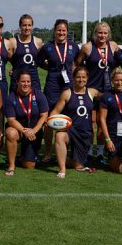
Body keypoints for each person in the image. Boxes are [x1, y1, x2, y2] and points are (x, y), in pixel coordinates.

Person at [36, 19, 80, 162]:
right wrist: (52, 70)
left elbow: (78, 64)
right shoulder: (47, 47)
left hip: (68, 86)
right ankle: (48, 152)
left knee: (69, 118)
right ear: (54, 31)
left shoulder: (73, 46)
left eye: (64, 30)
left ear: (67, 32)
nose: (61, 33)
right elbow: (39, 62)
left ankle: (65, 151)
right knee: (49, 119)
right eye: (59, 30)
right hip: (52, 86)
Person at [75, 21, 119, 161]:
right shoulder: (87, 47)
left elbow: (121, 62)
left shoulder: (113, 46)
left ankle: (99, 152)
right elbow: (77, 64)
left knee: (102, 122)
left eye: (105, 33)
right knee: (90, 122)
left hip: (107, 91)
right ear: (95, 33)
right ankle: (87, 151)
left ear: (109, 34)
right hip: (91, 90)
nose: (102, 35)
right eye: (100, 33)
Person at [50, 66, 101, 178]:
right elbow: (55, 111)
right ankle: (62, 169)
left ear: (87, 78)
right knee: (59, 136)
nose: (81, 80)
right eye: (78, 77)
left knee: (78, 165)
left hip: (85, 133)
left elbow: (108, 96)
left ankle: (61, 157)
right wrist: (51, 122)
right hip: (70, 130)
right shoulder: (67, 93)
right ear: (73, 78)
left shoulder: (92, 92)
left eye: (83, 77)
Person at [4, 70, 49, 175]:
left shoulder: (38, 94)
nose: (26, 84)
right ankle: (11, 165)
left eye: (28, 81)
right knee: (10, 132)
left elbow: (44, 115)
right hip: (19, 131)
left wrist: (34, 130)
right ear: (17, 82)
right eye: (23, 81)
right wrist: (24, 131)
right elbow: (11, 120)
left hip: (34, 132)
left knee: (29, 166)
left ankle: (22, 158)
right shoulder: (11, 97)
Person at [8, 14, 43, 92]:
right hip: (17, 80)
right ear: (20, 26)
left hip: (33, 79)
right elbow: (8, 58)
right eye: (24, 25)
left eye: (29, 25)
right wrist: (14, 69)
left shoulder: (38, 41)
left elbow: (40, 60)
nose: (27, 28)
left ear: (32, 27)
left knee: (34, 103)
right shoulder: (12, 41)